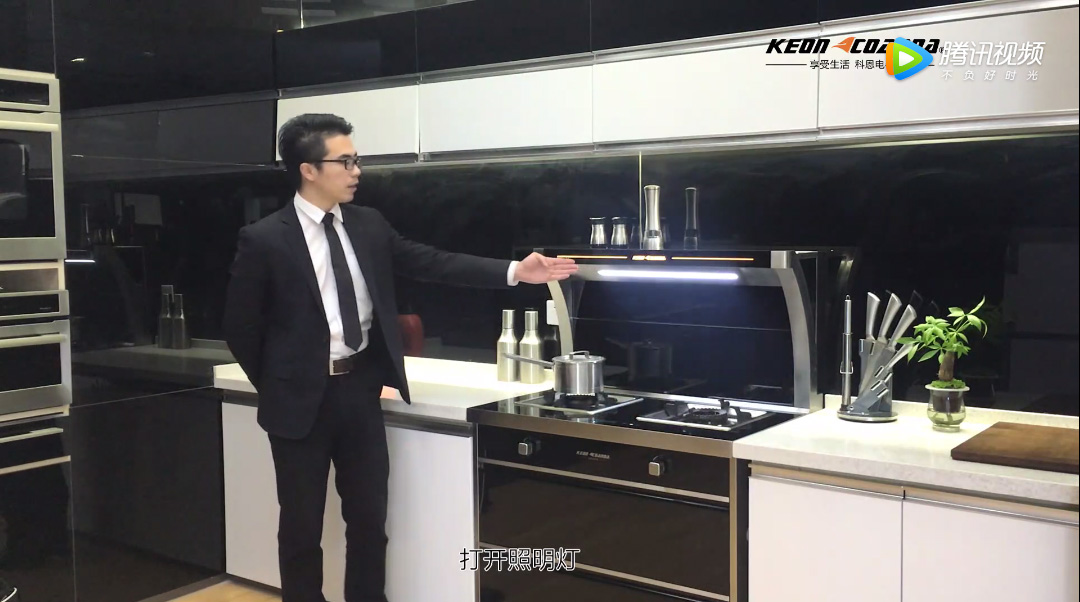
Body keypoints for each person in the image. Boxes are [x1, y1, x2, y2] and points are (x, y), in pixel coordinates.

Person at [222, 113, 577, 602]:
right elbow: (240, 327)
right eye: (345, 162)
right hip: (298, 403)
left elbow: (432, 262)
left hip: (359, 393)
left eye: (356, 160)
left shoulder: (368, 225)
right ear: (309, 169)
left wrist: (516, 270)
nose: (356, 171)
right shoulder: (265, 237)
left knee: (369, 520)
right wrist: (281, 384)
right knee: (301, 529)